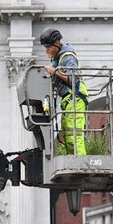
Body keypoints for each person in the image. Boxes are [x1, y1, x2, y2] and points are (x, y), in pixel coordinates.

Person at [39, 27, 88, 155]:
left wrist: (54, 71)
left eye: (49, 46)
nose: (47, 49)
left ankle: (81, 164)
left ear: (57, 42)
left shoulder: (67, 57)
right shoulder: (57, 58)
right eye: (45, 47)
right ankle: (73, 162)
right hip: (68, 99)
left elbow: (73, 79)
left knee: (74, 135)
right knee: (67, 134)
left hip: (75, 97)